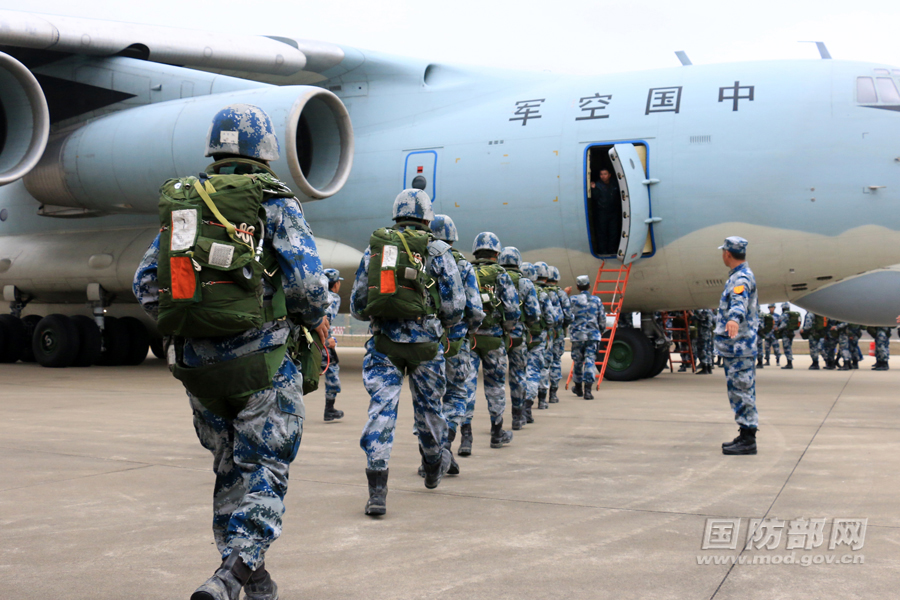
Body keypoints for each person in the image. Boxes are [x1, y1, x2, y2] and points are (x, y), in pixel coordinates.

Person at [133, 104, 330, 600]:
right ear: (265, 151)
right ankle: (233, 575)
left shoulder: (186, 202)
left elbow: (144, 285)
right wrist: (298, 324)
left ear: (213, 151)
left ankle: (255, 583)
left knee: (229, 470)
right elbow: (309, 290)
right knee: (266, 468)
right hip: (260, 363)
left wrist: (203, 323)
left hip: (197, 369)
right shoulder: (275, 201)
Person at [350, 189, 465, 516]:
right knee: (429, 411)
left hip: (384, 343)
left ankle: (377, 492)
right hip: (427, 345)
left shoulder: (376, 249)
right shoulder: (439, 251)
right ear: (427, 218)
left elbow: (358, 305)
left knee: (381, 411)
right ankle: (431, 467)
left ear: (396, 215)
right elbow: (456, 308)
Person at [429, 215, 484, 459]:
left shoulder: (421, 257)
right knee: (455, 394)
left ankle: (429, 457)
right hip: (456, 342)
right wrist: (467, 330)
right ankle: (446, 449)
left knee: (429, 399)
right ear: (452, 238)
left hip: (426, 341)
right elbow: (474, 308)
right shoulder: (461, 264)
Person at [466, 232, 520, 448]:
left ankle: (466, 438)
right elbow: (513, 310)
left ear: (476, 251)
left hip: (469, 340)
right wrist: (505, 329)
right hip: (494, 339)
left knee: (465, 387)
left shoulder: (466, 270)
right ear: (496, 253)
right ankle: (497, 434)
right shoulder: (501, 274)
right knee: (496, 387)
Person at [714, 236, 759, 456]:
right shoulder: (738, 276)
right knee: (739, 390)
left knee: (742, 389)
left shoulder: (740, 278)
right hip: (737, 347)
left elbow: (739, 302)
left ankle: (749, 439)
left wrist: (733, 318)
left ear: (727, 254)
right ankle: (744, 433)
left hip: (740, 346)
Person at [499, 246, 541, 429]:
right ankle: (518, 416)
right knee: (518, 376)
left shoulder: (495, 278)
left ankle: (497, 422)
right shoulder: (526, 283)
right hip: (518, 336)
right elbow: (534, 314)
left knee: (496, 380)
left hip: (498, 336)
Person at [522, 261, 559, 420]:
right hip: (539, 337)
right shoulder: (542, 293)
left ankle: (519, 410)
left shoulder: (512, 289)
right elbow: (552, 318)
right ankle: (538, 401)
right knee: (537, 369)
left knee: (520, 372)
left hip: (518, 338)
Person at [568, 275, 606, 399]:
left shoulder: (572, 300)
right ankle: (588, 390)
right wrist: (599, 330)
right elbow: (602, 319)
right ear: (589, 286)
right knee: (590, 361)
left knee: (578, 362)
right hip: (592, 335)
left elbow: (568, 316)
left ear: (578, 287)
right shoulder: (596, 300)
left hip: (577, 336)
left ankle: (578, 388)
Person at [534, 261, 561, 409]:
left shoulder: (528, 288)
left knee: (530, 367)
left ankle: (526, 405)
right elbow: (557, 317)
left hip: (530, 335)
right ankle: (547, 398)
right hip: (548, 334)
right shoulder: (553, 293)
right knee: (548, 364)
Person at [322, 269, 345, 421]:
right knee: (332, 370)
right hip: (320, 339)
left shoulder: (316, 296)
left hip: (309, 337)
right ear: (335, 284)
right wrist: (326, 341)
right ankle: (329, 409)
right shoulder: (333, 298)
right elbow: (324, 320)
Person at [547, 266, 572, 402]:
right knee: (556, 361)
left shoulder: (538, 291)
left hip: (543, 333)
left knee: (542, 362)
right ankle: (553, 393)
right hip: (557, 332)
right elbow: (568, 315)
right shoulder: (561, 294)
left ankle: (540, 394)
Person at [592, 168, 621, 254]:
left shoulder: (615, 183)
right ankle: (603, 251)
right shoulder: (597, 185)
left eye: (605, 174)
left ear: (609, 175)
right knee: (602, 233)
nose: (603, 176)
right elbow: (595, 198)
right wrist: (594, 189)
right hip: (602, 213)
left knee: (613, 232)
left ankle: (612, 250)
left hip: (613, 212)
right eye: (601, 174)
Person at [693, 309, 716, 374]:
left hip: (703, 332)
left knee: (702, 349)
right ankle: (709, 367)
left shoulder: (703, 310)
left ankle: (704, 367)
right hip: (709, 332)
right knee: (708, 350)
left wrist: (693, 314)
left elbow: (700, 318)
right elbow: (714, 320)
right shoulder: (710, 311)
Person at [778, 302, 797, 370]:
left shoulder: (784, 315)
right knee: (789, 347)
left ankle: (789, 363)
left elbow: (783, 325)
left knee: (787, 348)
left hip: (786, 334)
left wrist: (778, 329)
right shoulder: (790, 315)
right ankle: (789, 362)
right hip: (790, 333)